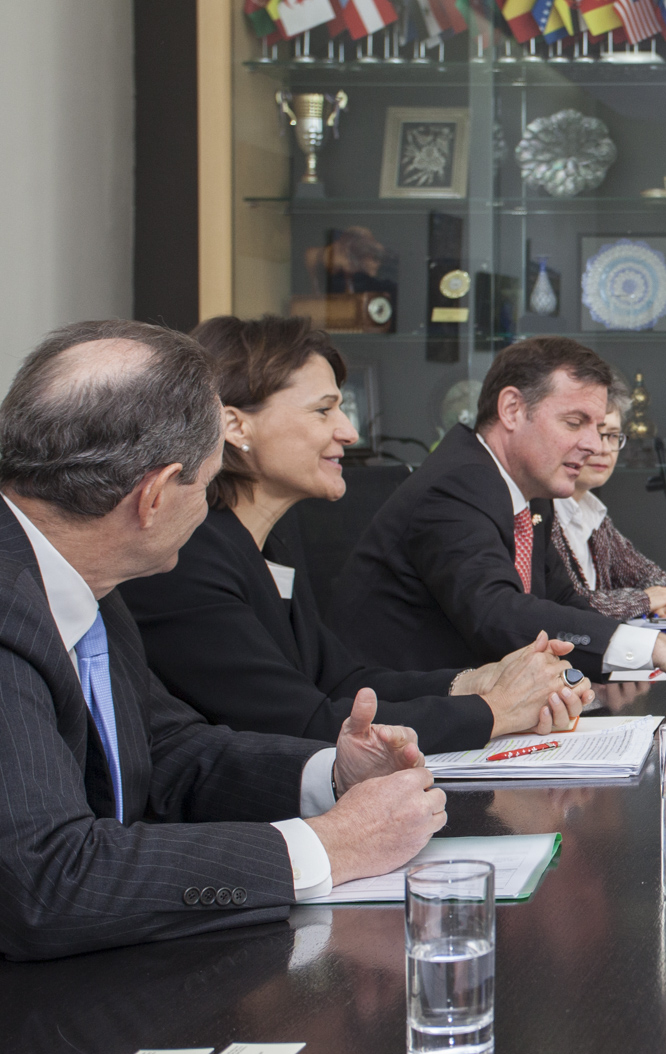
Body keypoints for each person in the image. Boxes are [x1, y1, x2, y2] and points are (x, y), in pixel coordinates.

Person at [0, 321, 443, 960]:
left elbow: (167, 751)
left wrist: (332, 775)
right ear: (154, 497)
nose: (212, 508)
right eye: (207, 485)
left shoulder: (84, 577)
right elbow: (46, 881)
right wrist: (328, 847)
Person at [121, 317, 589, 753]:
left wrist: (480, 681)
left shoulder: (264, 544)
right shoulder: (186, 560)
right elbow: (303, 723)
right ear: (236, 425)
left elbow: (341, 682)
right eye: (323, 410)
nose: (348, 431)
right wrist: (495, 711)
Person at [330, 336, 666, 695]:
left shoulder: (529, 489)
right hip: (391, 726)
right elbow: (497, 613)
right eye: (575, 422)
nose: (594, 445)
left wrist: (632, 659)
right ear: (512, 409)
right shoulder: (458, 483)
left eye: (599, 428)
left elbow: (564, 603)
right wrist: (656, 647)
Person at [551, 397, 666, 622]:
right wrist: (645, 600)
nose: (604, 449)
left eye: (613, 435)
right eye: (596, 433)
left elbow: (653, 578)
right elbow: (566, 605)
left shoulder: (594, 514)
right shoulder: (540, 514)